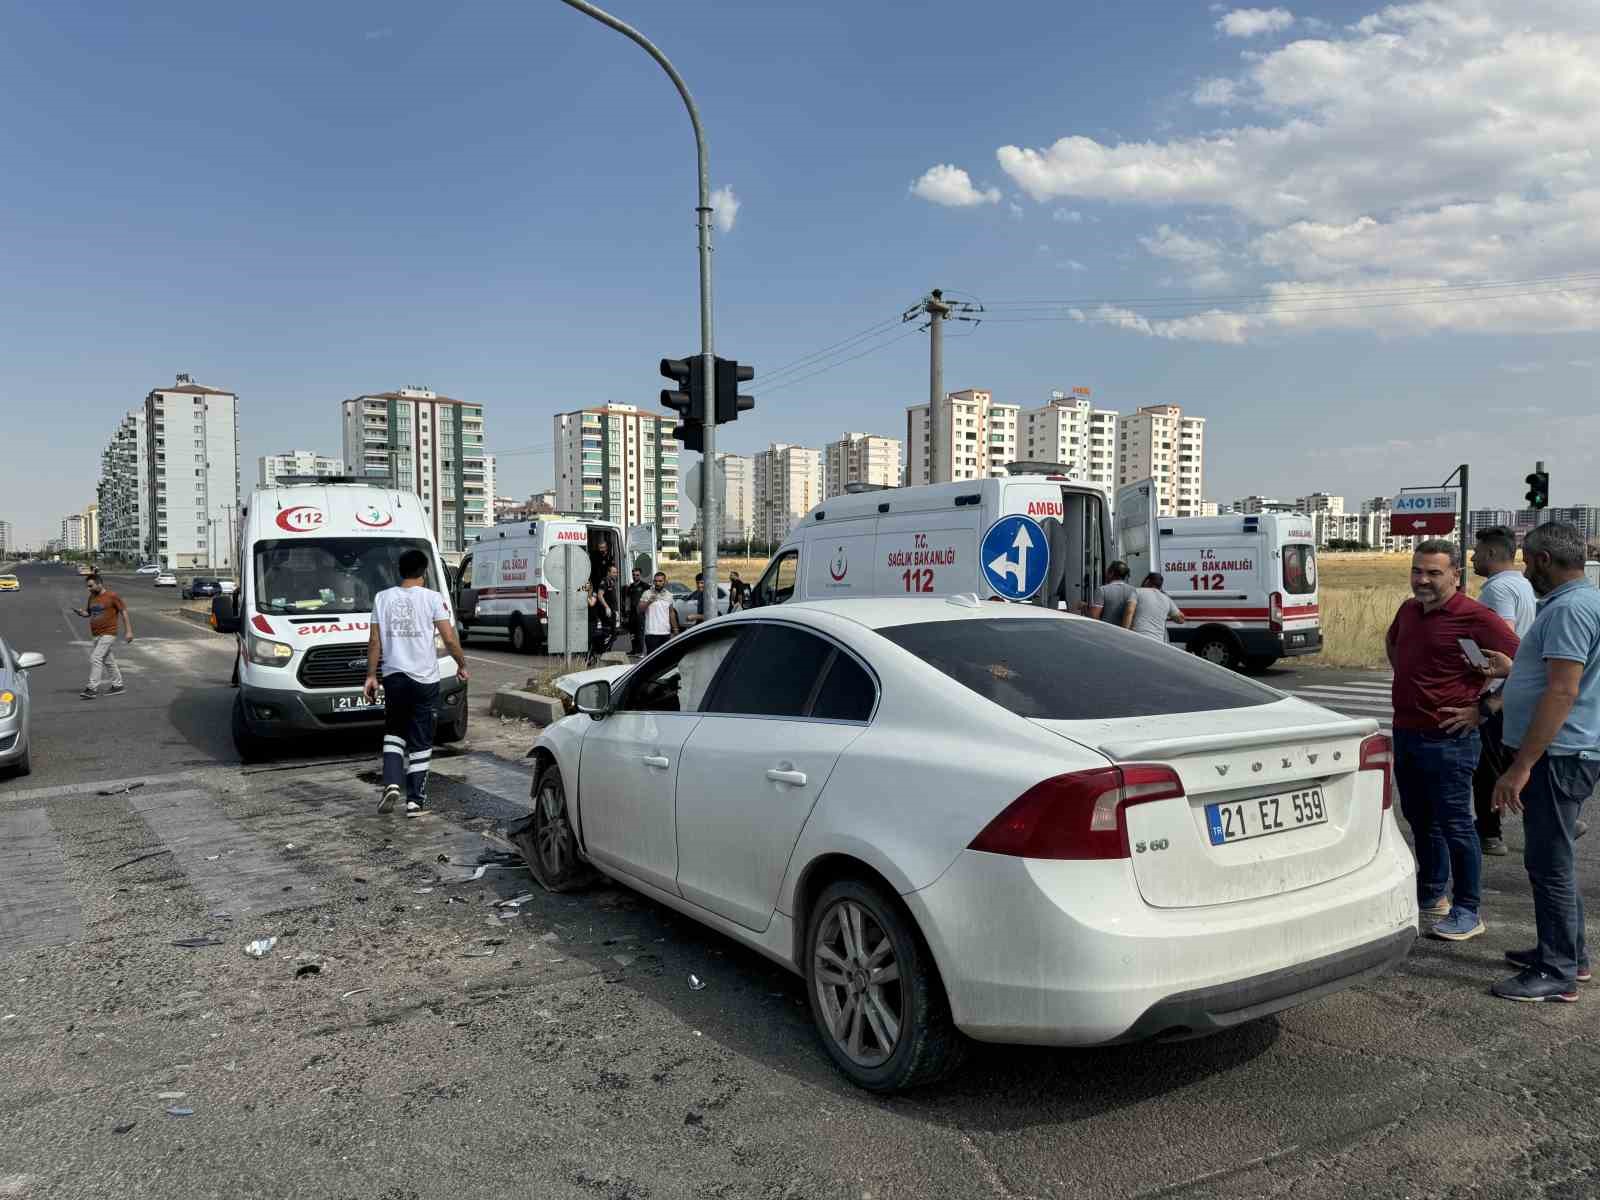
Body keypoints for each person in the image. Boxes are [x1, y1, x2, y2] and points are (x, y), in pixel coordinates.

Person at [1462, 523, 1600, 1003]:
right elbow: (1554, 677)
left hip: (1558, 755)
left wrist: (1521, 766)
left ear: (1543, 560)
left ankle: (1558, 970)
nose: (1524, 569)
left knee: (1549, 863)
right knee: (1553, 857)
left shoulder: (1570, 609)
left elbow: (1563, 690)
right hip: (1565, 750)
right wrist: (1513, 669)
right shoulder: (1578, 603)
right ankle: (1568, 954)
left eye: (1527, 560)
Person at [1386, 539, 1520, 942]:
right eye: (1417, 570)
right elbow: (1394, 647)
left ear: (1456, 576)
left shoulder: (1475, 616)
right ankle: (1432, 897)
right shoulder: (1409, 610)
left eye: (1433, 572)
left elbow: (1528, 668)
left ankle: (1467, 909)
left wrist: (1486, 707)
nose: (1422, 580)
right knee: (1420, 820)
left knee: (1456, 825)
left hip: (1450, 740)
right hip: (1407, 732)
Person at [364, 548, 468, 818]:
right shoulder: (433, 599)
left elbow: (374, 641)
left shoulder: (382, 598)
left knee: (394, 732)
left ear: (400, 570)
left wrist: (371, 676)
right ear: (424, 572)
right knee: (421, 740)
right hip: (424, 679)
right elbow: (449, 638)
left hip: (395, 677)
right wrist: (461, 664)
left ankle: (392, 783)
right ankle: (415, 802)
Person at [1469, 526, 1538, 857]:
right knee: (1513, 758)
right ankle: (1553, 817)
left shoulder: (1497, 590)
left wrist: (1491, 694)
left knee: (1488, 766)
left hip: (1499, 689)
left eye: (1477, 551)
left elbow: (1503, 638)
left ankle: (1490, 833)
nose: (1473, 557)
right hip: (1519, 687)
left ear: (1493, 553)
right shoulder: (1522, 584)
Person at [72, 573, 133, 699]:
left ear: (99, 584)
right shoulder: (92, 597)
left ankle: (92, 688)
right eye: (87, 586)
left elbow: (123, 612)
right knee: (108, 661)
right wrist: (81, 613)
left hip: (109, 633)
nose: (88, 589)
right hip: (96, 634)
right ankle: (118, 685)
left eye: (91, 586)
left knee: (95, 657)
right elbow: (89, 613)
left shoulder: (112, 596)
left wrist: (129, 631)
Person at [1128, 572, 1185, 643]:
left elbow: (1129, 612)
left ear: (1147, 581)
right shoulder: (1166, 598)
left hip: (1137, 638)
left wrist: (1124, 633)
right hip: (1158, 642)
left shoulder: (1137, 591)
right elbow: (1181, 620)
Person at [637, 571, 680, 654]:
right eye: (656, 581)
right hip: (651, 633)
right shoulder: (647, 593)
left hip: (665, 633)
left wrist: (675, 629)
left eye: (660, 581)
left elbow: (671, 613)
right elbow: (639, 610)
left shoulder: (669, 595)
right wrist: (649, 601)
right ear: (653, 582)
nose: (658, 583)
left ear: (665, 582)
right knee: (652, 661)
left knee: (664, 659)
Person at [1088, 561, 1136, 629]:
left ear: (1111, 573)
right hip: (1126, 633)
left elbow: (1094, 616)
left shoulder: (1102, 590)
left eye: (1107, 571)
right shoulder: (1133, 591)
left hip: (1107, 632)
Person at [623, 567, 647, 654]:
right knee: (632, 633)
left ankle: (640, 651)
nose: (635, 576)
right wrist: (626, 612)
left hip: (640, 613)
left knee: (640, 633)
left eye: (637, 575)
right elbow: (628, 599)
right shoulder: (630, 587)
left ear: (640, 575)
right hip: (632, 614)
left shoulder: (645, 586)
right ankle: (633, 650)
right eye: (633, 575)